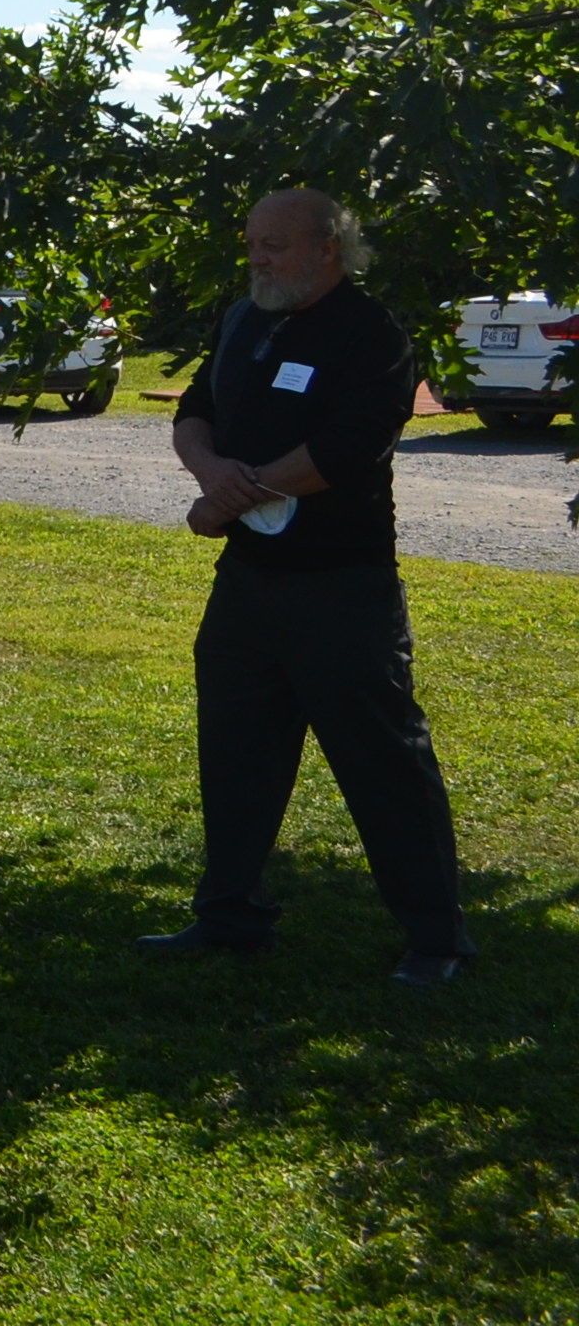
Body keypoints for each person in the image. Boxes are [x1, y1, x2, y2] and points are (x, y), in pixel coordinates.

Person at [144, 187, 470, 985]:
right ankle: (230, 917)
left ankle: (436, 940)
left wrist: (232, 494)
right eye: (253, 243)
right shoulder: (244, 319)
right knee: (235, 753)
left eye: (275, 246)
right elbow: (195, 412)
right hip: (248, 584)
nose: (258, 258)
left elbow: (352, 446)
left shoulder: (370, 332)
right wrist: (214, 472)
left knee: (383, 762)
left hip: (342, 588)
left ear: (327, 247)